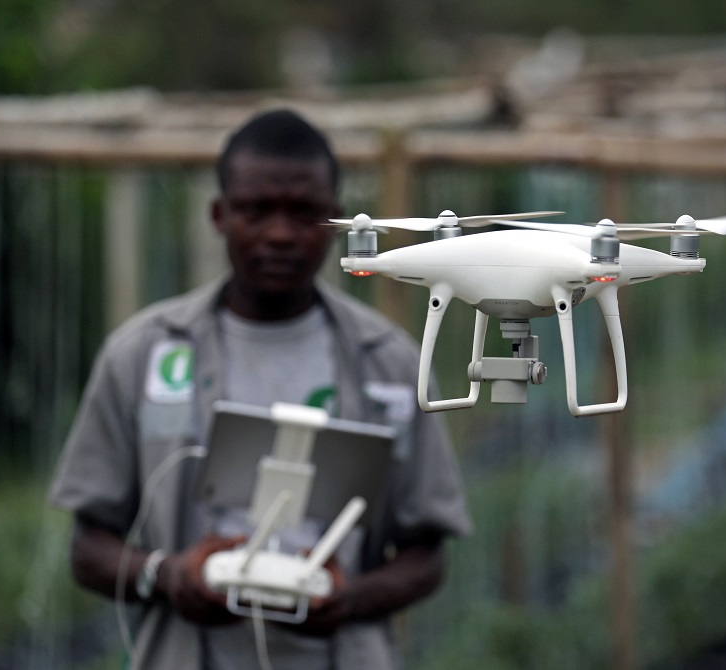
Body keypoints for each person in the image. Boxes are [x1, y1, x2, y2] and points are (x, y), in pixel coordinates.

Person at [48, 108, 471, 670]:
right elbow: (87, 547)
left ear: (335, 220)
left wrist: (351, 599)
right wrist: (168, 575)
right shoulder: (145, 354)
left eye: (303, 214)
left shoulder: (389, 362)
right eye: (256, 211)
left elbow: (427, 552)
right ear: (220, 215)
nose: (279, 233)